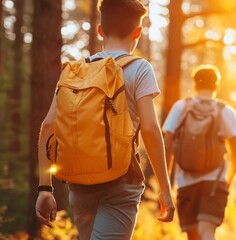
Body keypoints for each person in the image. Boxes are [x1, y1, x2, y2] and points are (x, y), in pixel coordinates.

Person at [35, 0, 175, 239]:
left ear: (100, 30)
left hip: (79, 183)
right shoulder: (139, 68)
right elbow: (151, 129)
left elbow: (49, 125)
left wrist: (45, 188)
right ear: (137, 32)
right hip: (122, 182)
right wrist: (165, 188)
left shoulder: (75, 71)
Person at [162, 64, 236, 240]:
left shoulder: (181, 107)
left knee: (193, 236)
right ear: (216, 85)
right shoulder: (225, 111)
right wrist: (226, 183)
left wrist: (166, 183)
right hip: (214, 183)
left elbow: (167, 146)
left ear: (195, 85)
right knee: (207, 234)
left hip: (185, 182)